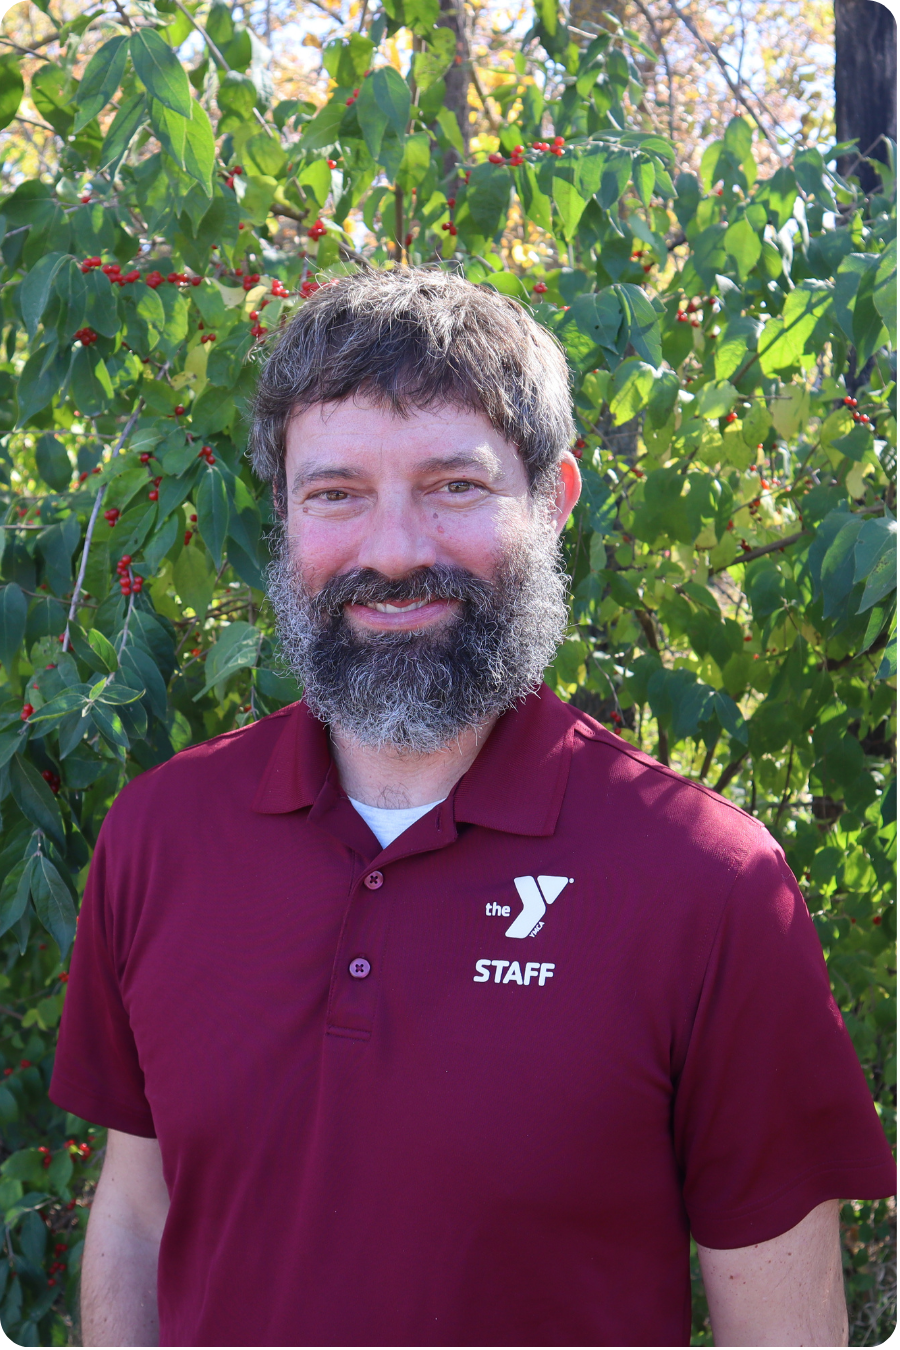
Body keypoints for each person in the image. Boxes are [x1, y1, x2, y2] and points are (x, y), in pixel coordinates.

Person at [51, 268, 894, 1349]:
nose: (394, 551)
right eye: (336, 493)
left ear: (554, 500)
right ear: (285, 518)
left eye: (454, 485)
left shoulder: (708, 883)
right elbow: (139, 1212)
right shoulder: (160, 836)